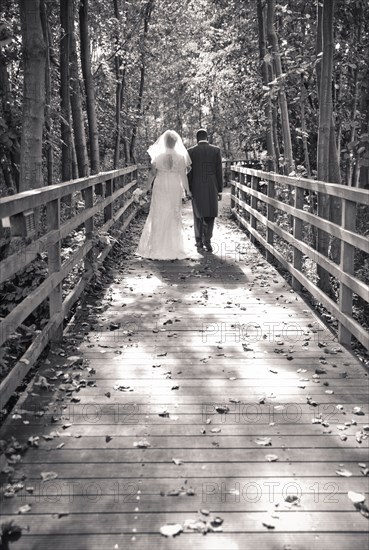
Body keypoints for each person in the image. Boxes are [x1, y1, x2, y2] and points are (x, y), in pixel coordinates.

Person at [136, 129, 197, 260]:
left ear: (164, 142)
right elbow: (183, 176)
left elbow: (152, 174)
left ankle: (157, 247)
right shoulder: (181, 157)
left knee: (158, 213)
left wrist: (146, 189)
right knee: (173, 214)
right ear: (176, 143)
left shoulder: (157, 156)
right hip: (175, 186)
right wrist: (188, 190)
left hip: (161, 184)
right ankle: (174, 247)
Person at [187, 129, 223, 253]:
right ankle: (208, 240)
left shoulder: (190, 151)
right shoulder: (216, 150)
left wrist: (189, 189)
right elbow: (219, 171)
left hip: (196, 187)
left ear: (197, 138)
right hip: (212, 186)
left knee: (198, 215)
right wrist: (219, 190)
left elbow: (189, 173)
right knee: (210, 214)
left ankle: (199, 242)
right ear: (207, 137)